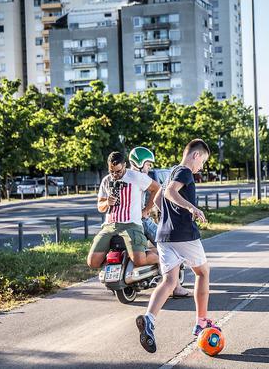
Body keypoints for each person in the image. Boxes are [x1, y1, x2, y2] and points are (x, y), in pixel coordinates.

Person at [136, 139, 214, 353]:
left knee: (169, 281)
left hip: (164, 235)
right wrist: (191, 209)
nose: (201, 167)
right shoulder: (185, 172)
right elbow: (170, 192)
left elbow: (160, 197)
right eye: (203, 161)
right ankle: (201, 322)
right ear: (195, 156)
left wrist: (168, 218)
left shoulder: (171, 171)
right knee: (203, 273)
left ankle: (149, 320)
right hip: (184, 235)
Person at [128, 146, 191, 298]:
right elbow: (156, 193)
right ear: (140, 163)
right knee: (168, 246)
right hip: (139, 221)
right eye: (148, 164)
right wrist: (146, 211)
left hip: (121, 222)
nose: (149, 168)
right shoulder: (141, 178)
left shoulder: (124, 176)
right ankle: (175, 286)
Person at [87, 151, 161, 269]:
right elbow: (100, 207)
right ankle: (123, 266)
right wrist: (107, 202)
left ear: (124, 165)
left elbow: (157, 188)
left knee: (140, 260)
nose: (115, 174)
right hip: (110, 226)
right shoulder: (106, 180)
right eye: (112, 171)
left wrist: (146, 210)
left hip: (131, 224)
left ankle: (160, 259)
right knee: (92, 262)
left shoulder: (136, 177)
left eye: (118, 171)